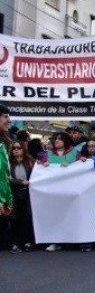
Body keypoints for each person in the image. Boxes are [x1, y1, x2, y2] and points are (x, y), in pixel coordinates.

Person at [8, 140, 35, 253]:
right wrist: (20, 182)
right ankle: (15, 243)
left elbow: (37, 173)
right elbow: (6, 179)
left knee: (27, 218)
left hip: (28, 194)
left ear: (23, 149)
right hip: (14, 194)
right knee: (15, 219)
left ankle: (28, 241)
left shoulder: (30, 162)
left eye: (18, 148)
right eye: (14, 148)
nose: (16, 150)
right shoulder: (8, 163)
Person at [0, 105, 15, 241]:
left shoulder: (4, 143)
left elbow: (3, 174)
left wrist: (5, 198)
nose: (9, 120)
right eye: (5, 116)